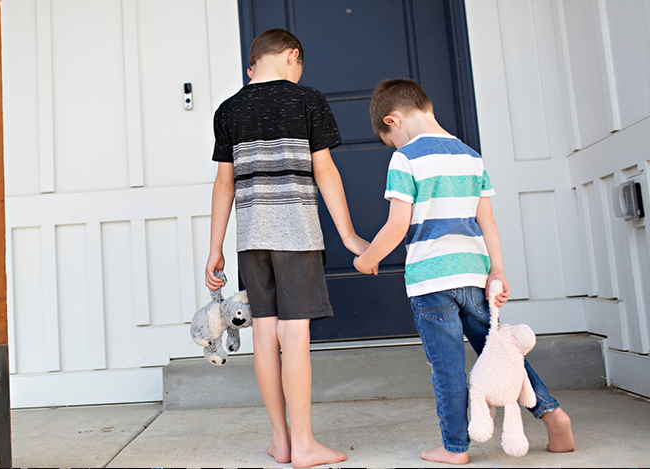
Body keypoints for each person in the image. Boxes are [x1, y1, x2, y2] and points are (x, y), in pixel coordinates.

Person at [353, 78, 576, 464]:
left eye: (391, 138)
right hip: (474, 275)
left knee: (448, 366)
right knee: (499, 350)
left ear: (393, 120)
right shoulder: (471, 156)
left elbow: (396, 226)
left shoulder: (405, 158)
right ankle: (553, 415)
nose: (395, 146)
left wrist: (366, 259)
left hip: (431, 280)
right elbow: (488, 222)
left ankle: (454, 447)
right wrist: (498, 272)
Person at [205, 28, 370, 468]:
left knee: (264, 335)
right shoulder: (307, 99)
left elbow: (224, 184)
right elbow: (326, 171)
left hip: (250, 240)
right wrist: (351, 236)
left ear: (251, 67)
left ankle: (281, 442)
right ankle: (305, 445)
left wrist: (214, 248)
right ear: (293, 56)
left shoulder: (228, 110)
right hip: (296, 236)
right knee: (293, 335)